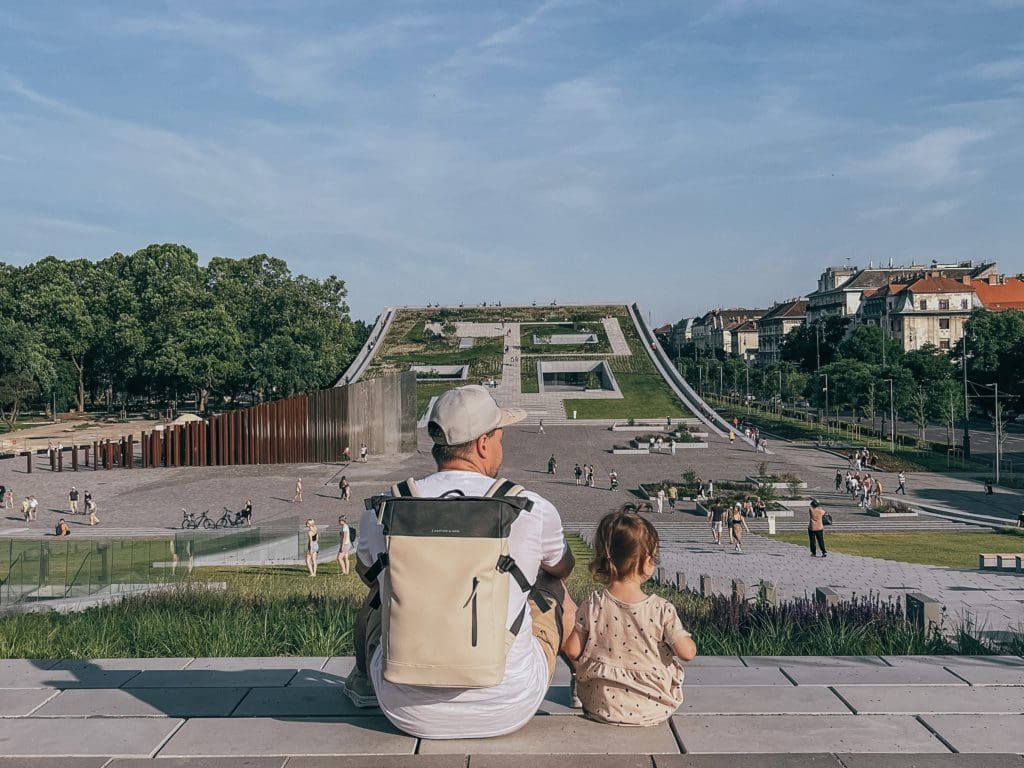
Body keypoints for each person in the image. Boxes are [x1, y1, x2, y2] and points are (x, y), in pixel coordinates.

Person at [344, 384, 576, 739]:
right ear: (484, 443)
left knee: (380, 591)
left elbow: (366, 575)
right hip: (510, 704)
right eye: (500, 435)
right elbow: (562, 567)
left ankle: (363, 682)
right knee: (553, 586)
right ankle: (587, 687)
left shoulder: (384, 509)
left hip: (402, 707)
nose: (501, 444)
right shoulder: (531, 507)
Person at [563, 508, 697, 726]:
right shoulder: (661, 609)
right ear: (646, 562)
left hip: (599, 704)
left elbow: (572, 650)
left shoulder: (593, 604)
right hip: (652, 707)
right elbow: (687, 653)